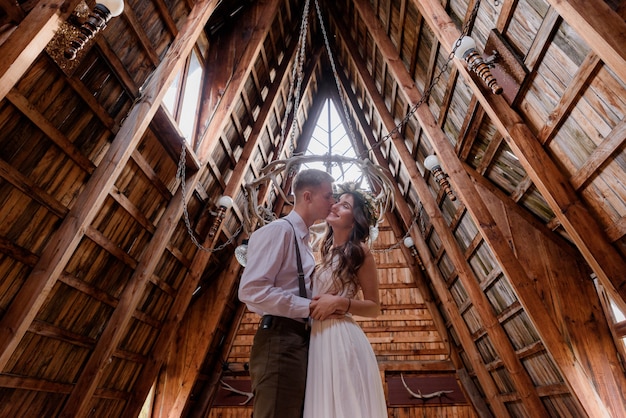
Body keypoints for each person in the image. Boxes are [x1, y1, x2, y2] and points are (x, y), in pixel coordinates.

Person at [238, 168, 335, 418]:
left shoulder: (304, 241)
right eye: (328, 196)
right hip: (279, 338)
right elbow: (252, 291)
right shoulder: (279, 231)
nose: (333, 202)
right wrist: (308, 308)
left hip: (298, 338)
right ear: (307, 196)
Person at [304, 182, 388, 418]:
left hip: (341, 339)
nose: (336, 206)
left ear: (355, 219)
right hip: (316, 338)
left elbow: (374, 307)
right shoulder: (321, 252)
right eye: (337, 201)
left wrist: (341, 303)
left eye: (345, 205)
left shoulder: (360, 252)